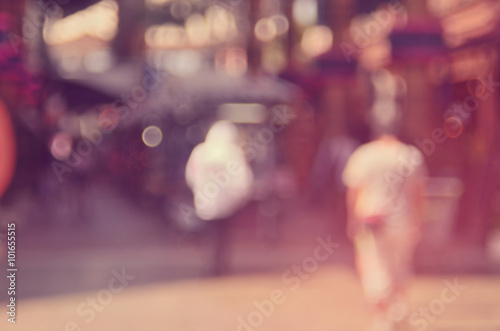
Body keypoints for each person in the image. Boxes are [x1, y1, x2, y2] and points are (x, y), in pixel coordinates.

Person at [342, 70, 427, 331]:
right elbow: (418, 193)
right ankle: (397, 309)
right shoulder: (411, 155)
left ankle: (382, 317)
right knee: (400, 265)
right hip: (402, 221)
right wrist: (418, 221)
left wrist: (351, 220)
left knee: (375, 267)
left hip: (371, 219)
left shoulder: (363, 155)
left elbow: (353, 191)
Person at [185, 120, 253, 275]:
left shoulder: (200, 152)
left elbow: (190, 175)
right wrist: (239, 198)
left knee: (208, 235)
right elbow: (242, 180)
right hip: (227, 206)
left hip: (204, 203)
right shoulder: (234, 153)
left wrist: (199, 191)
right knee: (223, 237)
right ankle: (220, 266)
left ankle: (208, 265)